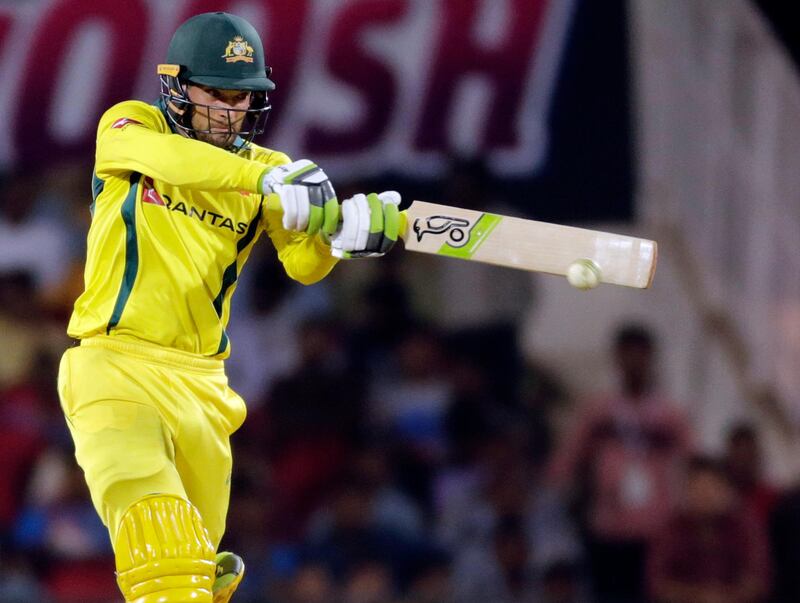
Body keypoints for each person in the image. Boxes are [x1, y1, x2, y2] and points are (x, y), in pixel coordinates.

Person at [56, 11, 400, 603]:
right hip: (113, 367)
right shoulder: (131, 127)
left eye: (242, 97)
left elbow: (304, 265)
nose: (230, 110)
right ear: (176, 86)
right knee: (160, 552)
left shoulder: (271, 170)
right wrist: (267, 183)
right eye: (215, 92)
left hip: (206, 392)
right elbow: (173, 162)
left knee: (201, 576)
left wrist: (340, 238)